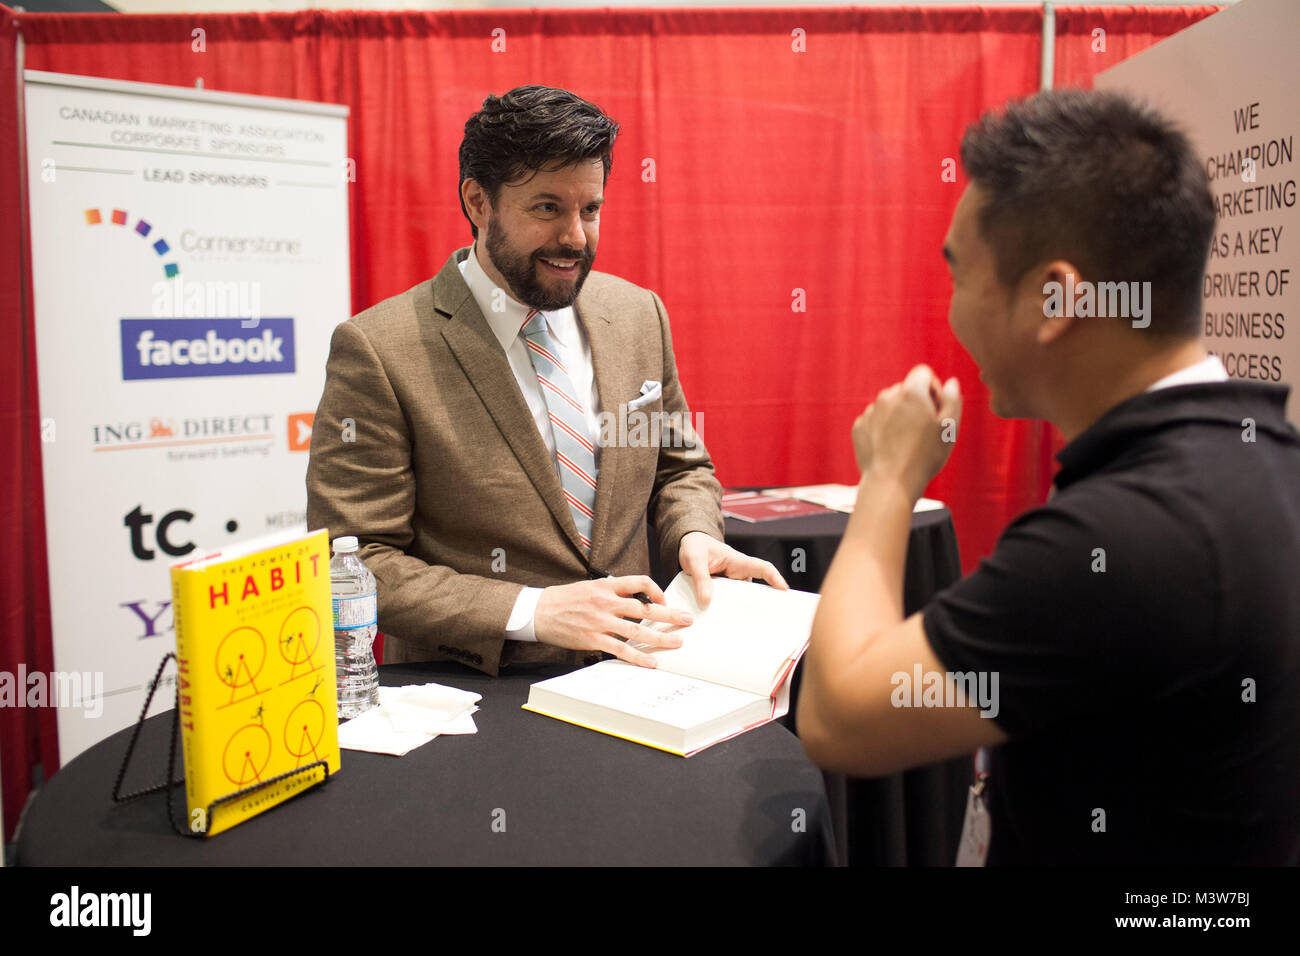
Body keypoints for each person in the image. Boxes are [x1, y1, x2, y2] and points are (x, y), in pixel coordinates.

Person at [796, 89, 1300, 864]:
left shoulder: (1126, 533)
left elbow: (840, 714)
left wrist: (889, 479)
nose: (955, 310)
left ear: (1055, 299)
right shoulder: (1263, 456)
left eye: (961, 275)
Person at [306, 85, 783, 676]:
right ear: (478, 202)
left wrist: (693, 533)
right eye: (547, 208)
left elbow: (677, 467)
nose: (577, 239)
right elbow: (353, 558)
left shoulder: (638, 315)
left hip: (642, 672)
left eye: (591, 210)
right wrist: (529, 610)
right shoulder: (378, 349)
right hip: (482, 696)